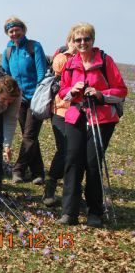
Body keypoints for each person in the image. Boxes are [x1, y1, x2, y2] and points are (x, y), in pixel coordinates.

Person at [57, 23, 127, 227]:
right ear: (73, 41)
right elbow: (62, 92)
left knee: (93, 163)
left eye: (86, 39)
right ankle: (69, 212)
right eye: (78, 40)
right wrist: (73, 90)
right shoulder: (70, 64)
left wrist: (100, 94)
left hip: (102, 118)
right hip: (76, 116)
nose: (82, 43)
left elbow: (121, 91)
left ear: (92, 40)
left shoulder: (105, 60)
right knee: (72, 162)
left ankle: (94, 212)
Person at [1, 16, 49, 185]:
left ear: (23, 30)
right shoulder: (8, 51)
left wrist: (37, 94)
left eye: (17, 30)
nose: (14, 33)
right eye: (10, 31)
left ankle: (18, 169)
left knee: (29, 135)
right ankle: (38, 172)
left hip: (35, 98)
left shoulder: (34, 47)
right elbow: (6, 76)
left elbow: (41, 73)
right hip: (18, 100)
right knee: (30, 135)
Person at [43, 33, 77, 206]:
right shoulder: (62, 58)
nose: (78, 44)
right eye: (74, 40)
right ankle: (50, 186)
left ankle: (72, 193)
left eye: (82, 41)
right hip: (61, 110)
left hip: (80, 111)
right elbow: (59, 72)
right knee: (64, 150)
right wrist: (71, 54)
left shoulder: (88, 60)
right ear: (68, 41)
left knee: (76, 152)